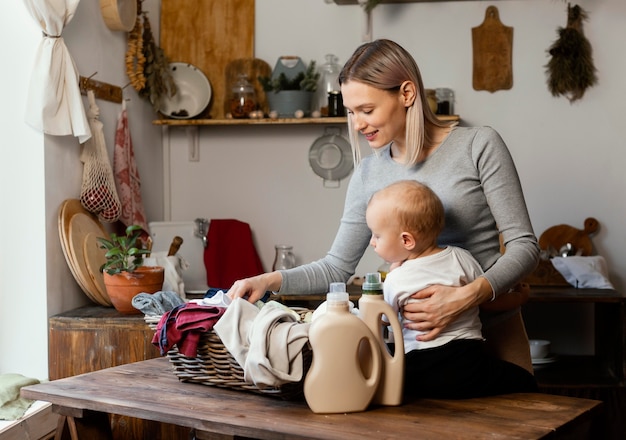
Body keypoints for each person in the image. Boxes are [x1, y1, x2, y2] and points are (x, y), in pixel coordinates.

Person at [227, 38, 539, 374]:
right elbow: (336, 268)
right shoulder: (368, 174)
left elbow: (524, 246)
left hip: (493, 333)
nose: (358, 124)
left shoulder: (479, 145)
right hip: (414, 345)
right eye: (351, 112)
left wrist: (466, 297)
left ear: (406, 94)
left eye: (367, 109)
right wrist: (269, 280)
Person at [366, 179, 536, 398]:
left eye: (377, 236)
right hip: (467, 363)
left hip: (416, 369)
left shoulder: (395, 279)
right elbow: (489, 302)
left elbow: (384, 318)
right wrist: (520, 297)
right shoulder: (461, 258)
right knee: (525, 382)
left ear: (407, 240)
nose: (372, 241)